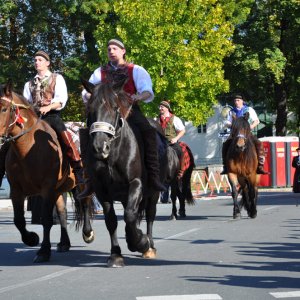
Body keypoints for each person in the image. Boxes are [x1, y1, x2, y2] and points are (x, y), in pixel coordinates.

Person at [80, 38, 166, 197]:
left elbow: (148, 91)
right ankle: (89, 179)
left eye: (115, 48)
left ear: (123, 51)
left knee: (148, 130)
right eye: (109, 49)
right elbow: (87, 91)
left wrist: (138, 97)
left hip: (130, 111)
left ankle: (153, 175)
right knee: (86, 132)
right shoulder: (100, 72)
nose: (111, 51)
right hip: (107, 113)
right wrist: (88, 94)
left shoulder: (136, 70)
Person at [23, 50, 84, 184]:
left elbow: (61, 100)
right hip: (34, 118)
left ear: (47, 63)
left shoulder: (57, 78)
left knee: (64, 136)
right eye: (35, 60)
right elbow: (27, 103)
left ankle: (78, 168)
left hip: (52, 117)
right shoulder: (29, 83)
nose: (37, 62)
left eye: (40, 60)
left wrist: (48, 107)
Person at [220, 94, 268, 175]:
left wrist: (249, 128)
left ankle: (260, 165)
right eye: (235, 101)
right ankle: (225, 165)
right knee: (225, 144)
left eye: (238, 100)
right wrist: (231, 125)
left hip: (247, 133)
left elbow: (256, 121)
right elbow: (228, 123)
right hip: (235, 134)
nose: (236, 102)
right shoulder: (231, 112)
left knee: (258, 143)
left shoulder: (249, 110)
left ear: (242, 101)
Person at [158, 100, 186, 178]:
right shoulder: (157, 119)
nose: (160, 108)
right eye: (159, 107)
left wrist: (176, 138)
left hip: (171, 142)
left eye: (162, 107)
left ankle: (180, 171)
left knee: (181, 151)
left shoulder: (175, 119)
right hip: (160, 143)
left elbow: (183, 130)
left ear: (167, 108)